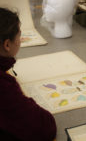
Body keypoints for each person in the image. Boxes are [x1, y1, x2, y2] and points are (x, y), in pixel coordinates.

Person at [0, 8, 56, 141]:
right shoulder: (4, 86)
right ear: (7, 44)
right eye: (19, 36)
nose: (20, 41)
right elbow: (43, 128)